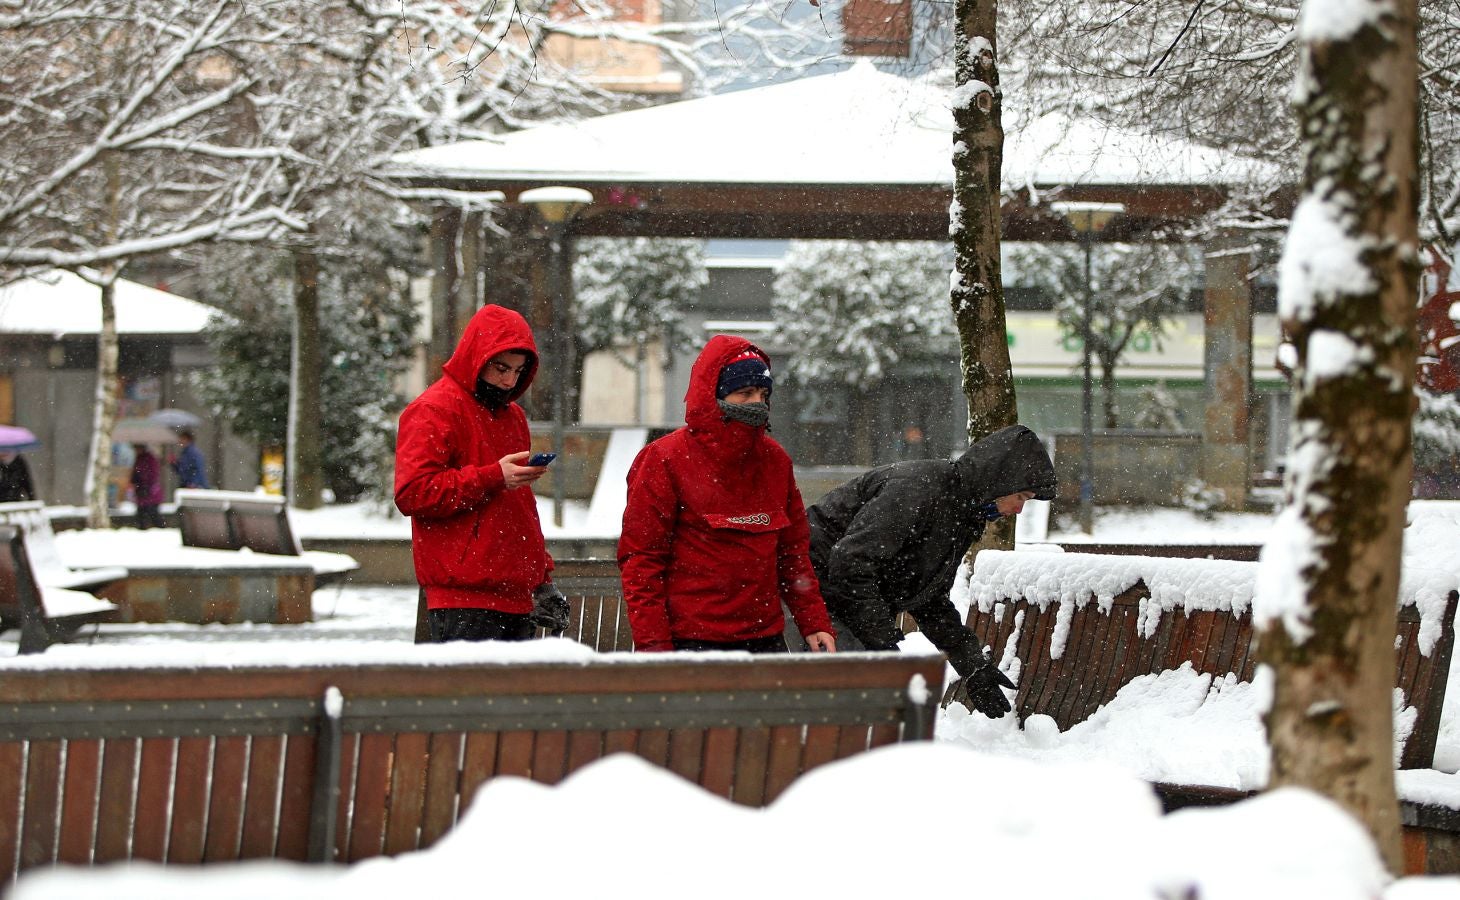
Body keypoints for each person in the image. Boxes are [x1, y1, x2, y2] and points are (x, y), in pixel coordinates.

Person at [806, 424, 1057, 717]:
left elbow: (929, 599)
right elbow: (850, 564)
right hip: (805, 591)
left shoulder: (962, 514)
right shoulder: (919, 490)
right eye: (1021, 497)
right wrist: (881, 639)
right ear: (1000, 480)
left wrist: (972, 665)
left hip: (840, 598)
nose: (1019, 510)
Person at [619, 336, 836, 654]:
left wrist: (814, 622)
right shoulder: (664, 459)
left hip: (765, 640)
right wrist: (655, 652)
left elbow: (792, 555)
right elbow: (643, 562)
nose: (756, 403)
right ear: (714, 395)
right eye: (744, 392)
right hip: (690, 643)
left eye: (762, 394)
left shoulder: (775, 461)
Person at [394, 304, 568, 643]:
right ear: (477, 357)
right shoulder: (433, 409)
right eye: (501, 367)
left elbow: (519, 510)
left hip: (513, 594)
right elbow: (413, 492)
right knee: (469, 695)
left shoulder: (512, 416)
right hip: (464, 596)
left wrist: (541, 576)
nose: (509, 379)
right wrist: (492, 477)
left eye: (518, 371)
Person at [131, 444, 164, 529]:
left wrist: (146, 485)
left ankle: (159, 529)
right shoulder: (139, 458)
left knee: (152, 513)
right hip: (142, 490)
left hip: (149, 491)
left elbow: (153, 474)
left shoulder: (149, 459)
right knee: (142, 513)